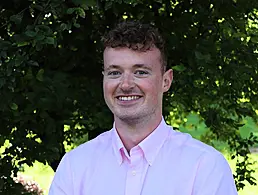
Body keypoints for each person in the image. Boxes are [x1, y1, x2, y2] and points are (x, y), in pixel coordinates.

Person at [49, 21, 238, 195]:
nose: (125, 84)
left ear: (166, 80)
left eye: (140, 72)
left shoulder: (204, 167)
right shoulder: (75, 166)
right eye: (115, 72)